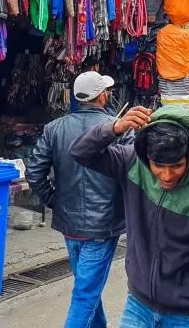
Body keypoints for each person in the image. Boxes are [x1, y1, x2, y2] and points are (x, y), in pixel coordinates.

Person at [71, 105, 189, 328]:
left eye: (177, 166)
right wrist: (115, 128)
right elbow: (80, 152)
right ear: (147, 157)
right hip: (138, 305)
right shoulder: (131, 164)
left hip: (186, 315)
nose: (167, 176)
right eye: (158, 165)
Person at [26, 71, 127, 328]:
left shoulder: (55, 128)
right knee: (86, 292)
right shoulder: (117, 128)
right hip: (102, 224)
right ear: (102, 96)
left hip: (71, 222)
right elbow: (134, 172)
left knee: (87, 287)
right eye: (106, 91)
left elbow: (34, 172)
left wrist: (54, 200)